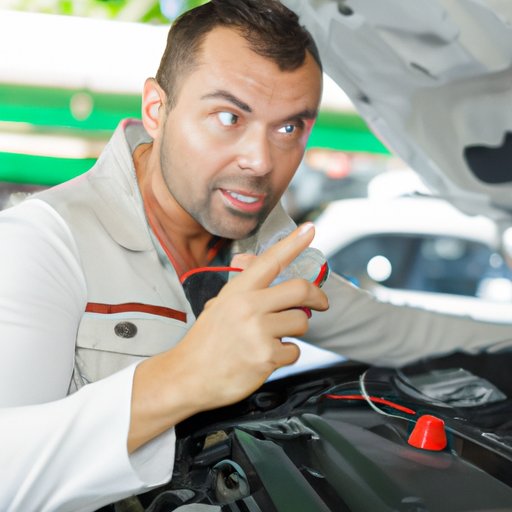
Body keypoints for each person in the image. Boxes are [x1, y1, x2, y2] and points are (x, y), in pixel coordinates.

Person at [1, 0, 512, 510]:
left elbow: (398, 332)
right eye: (229, 116)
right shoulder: (42, 244)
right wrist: (187, 374)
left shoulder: (267, 249)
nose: (261, 161)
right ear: (156, 110)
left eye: (288, 128)